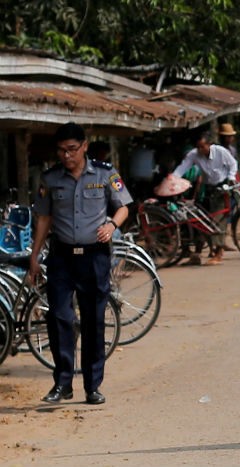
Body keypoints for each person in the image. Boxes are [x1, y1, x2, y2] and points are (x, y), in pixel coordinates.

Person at [30, 122, 133, 405]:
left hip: (94, 257)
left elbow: (123, 207)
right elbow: (44, 219)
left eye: (72, 149)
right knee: (59, 317)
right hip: (61, 257)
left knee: (93, 321)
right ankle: (63, 383)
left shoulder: (105, 173)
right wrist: (35, 256)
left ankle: (92, 386)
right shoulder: (51, 178)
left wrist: (112, 225)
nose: (66, 155)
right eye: (61, 150)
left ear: (84, 146)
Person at [171, 131, 238, 265]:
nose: (200, 150)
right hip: (207, 189)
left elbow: (233, 164)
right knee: (200, 220)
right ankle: (197, 253)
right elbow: (182, 167)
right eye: (198, 147)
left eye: (203, 146)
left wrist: (231, 177)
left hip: (222, 188)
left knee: (218, 220)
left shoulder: (220, 151)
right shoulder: (194, 154)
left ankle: (218, 252)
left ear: (209, 144)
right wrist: (172, 179)